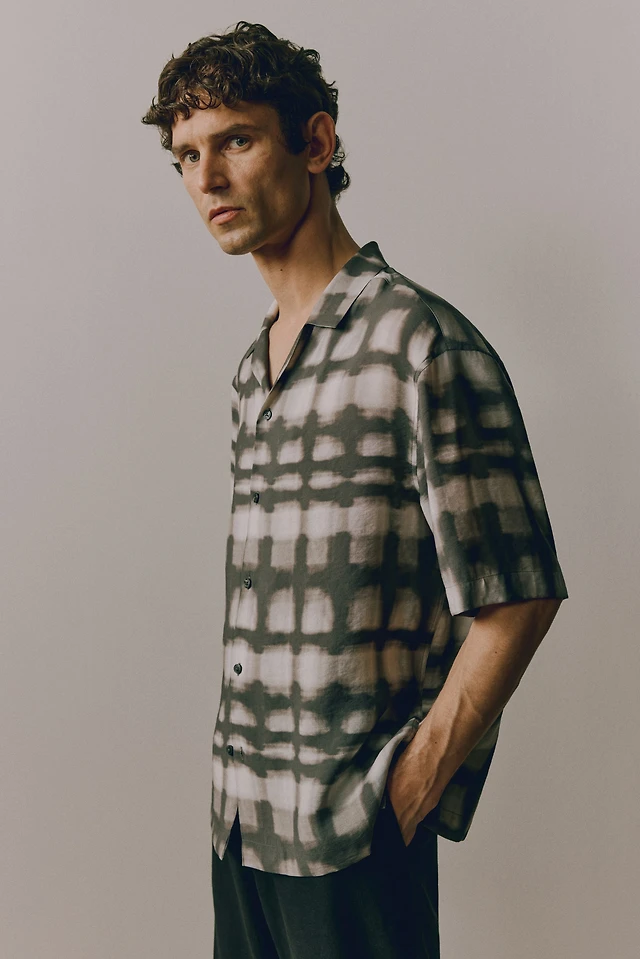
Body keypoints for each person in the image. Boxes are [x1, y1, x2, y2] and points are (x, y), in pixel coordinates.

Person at [142, 21, 569, 959]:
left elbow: (520, 596)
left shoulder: (422, 344)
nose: (208, 178)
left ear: (317, 142)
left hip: (353, 839)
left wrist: (409, 790)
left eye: (236, 140)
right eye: (187, 156)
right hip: (241, 827)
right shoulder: (252, 372)